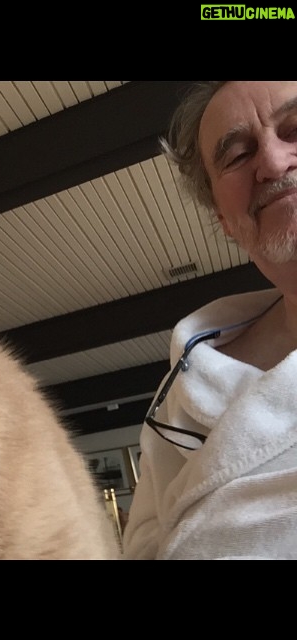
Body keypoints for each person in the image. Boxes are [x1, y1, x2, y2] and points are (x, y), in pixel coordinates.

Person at [122, 81, 297, 560]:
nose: (274, 163)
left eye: (295, 128)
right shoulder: (178, 398)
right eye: (238, 155)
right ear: (223, 216)